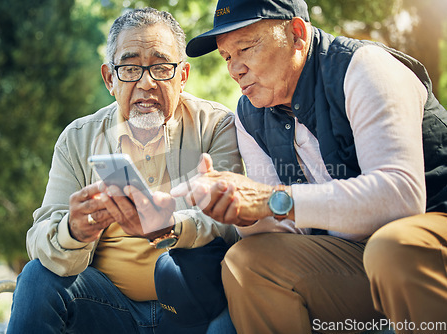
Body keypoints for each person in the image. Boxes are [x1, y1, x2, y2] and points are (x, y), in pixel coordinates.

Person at [171, 0, 447, 333]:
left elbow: (400, 198)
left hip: (426, 235)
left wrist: (273, 199)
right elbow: (286, 226)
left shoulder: (365, 68)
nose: (234, 69)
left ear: (298, 34)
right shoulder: (248, 115)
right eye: (227, 56)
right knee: (246, 262)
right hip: (358, 255)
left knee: (393, 247)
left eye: (246, 48)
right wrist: (244, 215)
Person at [6, 7, 243, 334]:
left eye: (161, 67)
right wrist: (73, 231)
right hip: (109, 308)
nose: (146, 82)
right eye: (130, 68)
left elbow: (233, 224)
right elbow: (41, 237)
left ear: (183, 76)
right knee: (35, 277)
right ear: (109, 79)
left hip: (196, 303)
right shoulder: (78, 139)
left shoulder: (216, 125)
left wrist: (171, 225)